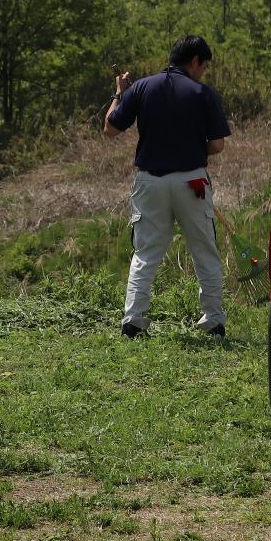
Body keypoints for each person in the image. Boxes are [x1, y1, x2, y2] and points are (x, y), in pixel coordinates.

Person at [103, 34, 231, 337]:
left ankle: (133, 321)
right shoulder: (202, 93)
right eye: (205, 66)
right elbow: (217, 145)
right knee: (204, 251)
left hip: (150, 182)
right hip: (192, 182)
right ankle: (213, 320)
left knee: (146, 252)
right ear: (196, 61)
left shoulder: (142, 87)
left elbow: (110, 128)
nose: (204, 72)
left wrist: (119, 93)